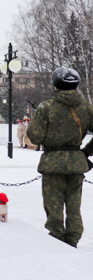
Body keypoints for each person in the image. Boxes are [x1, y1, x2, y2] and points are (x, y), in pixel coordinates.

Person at [26, 67, 93, 248]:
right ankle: (73, 239)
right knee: (74, 205)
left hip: (53, 162)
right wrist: (86, 152)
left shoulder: (47, 106)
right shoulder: (86, 106)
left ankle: (57, 241)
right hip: (76, 163)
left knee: (54, 206)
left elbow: (35, 137)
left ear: (56, 85)